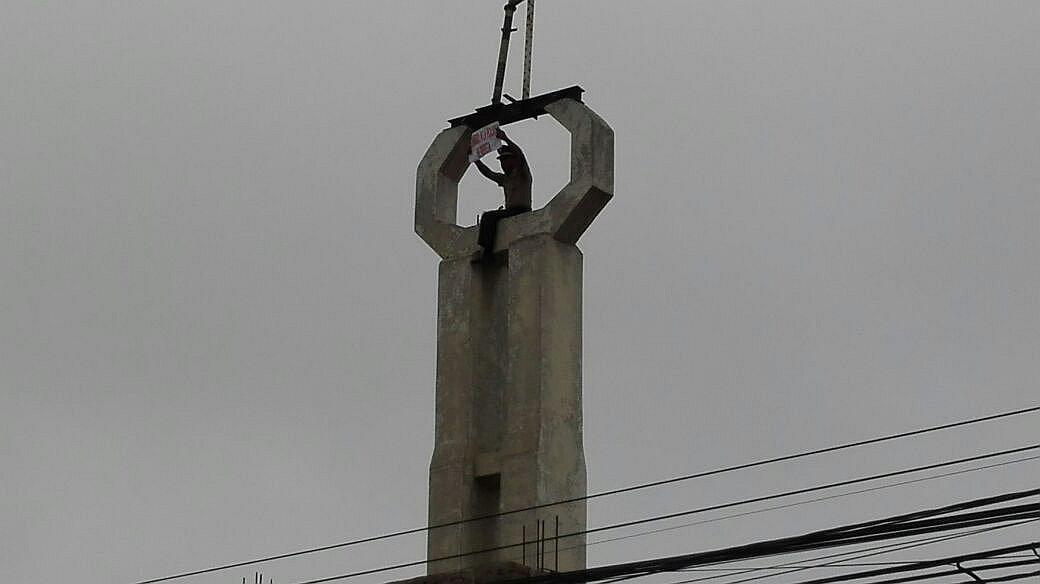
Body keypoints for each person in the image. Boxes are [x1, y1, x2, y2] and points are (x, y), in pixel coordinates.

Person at [473, 129, 532, 262]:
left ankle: (487, 254)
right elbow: (488, 173)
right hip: (510, 211)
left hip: (521, 210)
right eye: (502, 160)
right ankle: (486, 252)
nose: (503, 163)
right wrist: (475, 160)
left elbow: (520, 155)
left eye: (506, 159)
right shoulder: (505, 179)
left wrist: (505, 138)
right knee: (490, 218)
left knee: (489, 217)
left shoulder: (522, 174)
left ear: (514, 160)